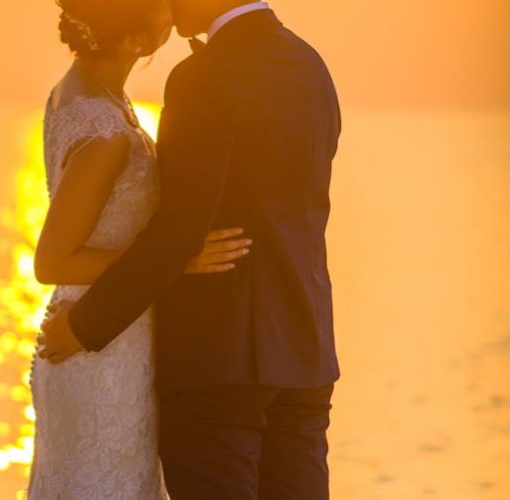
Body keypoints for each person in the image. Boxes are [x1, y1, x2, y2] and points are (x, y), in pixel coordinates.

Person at [41, 0, 343, 498]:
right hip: (305, 349)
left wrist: (84, 325)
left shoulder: (202, 77)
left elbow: (180, 230)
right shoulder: (311, 64)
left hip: (220, 361)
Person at [27, 0, 253, 498]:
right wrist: (179, 262)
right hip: (101, 358)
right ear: (132, 41)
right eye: (154, 7)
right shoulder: (104, 134)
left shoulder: (78, 93)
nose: (169, 7)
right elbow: (52, 261)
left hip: (109, 335)